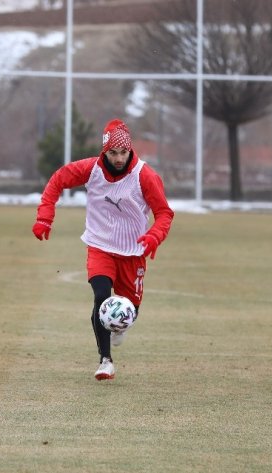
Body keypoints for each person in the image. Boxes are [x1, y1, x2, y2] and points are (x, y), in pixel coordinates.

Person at [33, 118, 174, 380]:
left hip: (133, 251)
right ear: (104, 151)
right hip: (100, 245)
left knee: (130, 308)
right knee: (101, 298)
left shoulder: (144, 175)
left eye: (123, 152)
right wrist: (44, 216)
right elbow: (57, 180)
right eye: (113, 153)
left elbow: (164, 212)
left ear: (130, 150)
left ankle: (122, 324)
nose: (119, 158)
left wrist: (155, 235)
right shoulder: (91, 169)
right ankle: (105, 361)